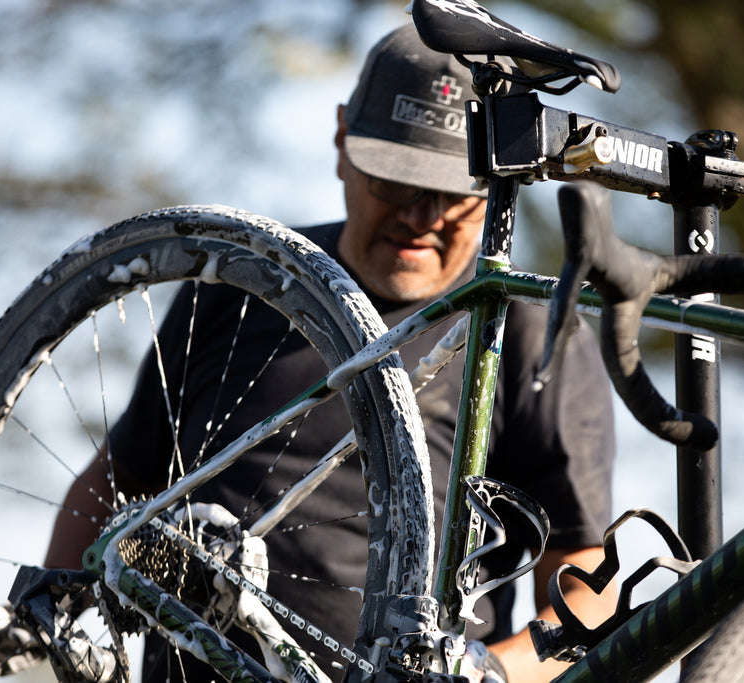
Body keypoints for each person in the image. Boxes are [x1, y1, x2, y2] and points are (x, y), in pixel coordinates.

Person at [46, 24, 616, 683]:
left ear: (494, 189)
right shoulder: (240, 282)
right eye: (395, 180)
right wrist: (57, 618)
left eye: (453, 190)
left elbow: (586, 591)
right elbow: (115, 476)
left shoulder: (525, 331)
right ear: (343, 139)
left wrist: (492, 674)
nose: (421, 214)